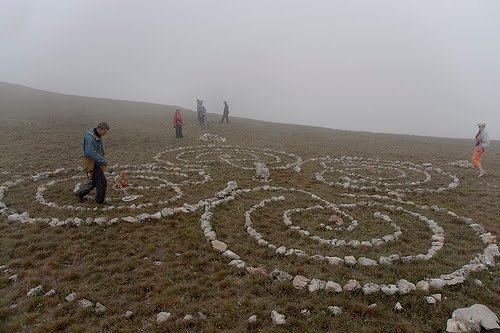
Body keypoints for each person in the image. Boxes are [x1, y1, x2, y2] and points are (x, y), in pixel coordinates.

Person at [75, 122, 110, 204]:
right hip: (92, 162)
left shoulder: (97, 135)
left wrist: (101, 158)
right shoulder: (90, 138)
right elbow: (92, 153)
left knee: (95, 181)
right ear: (99, 129)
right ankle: (99, 201)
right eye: (104, 132)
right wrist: (102, 161)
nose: (104, 134)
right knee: (102, 181)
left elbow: (98, 149)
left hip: (97, 160)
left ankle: (80, 193)